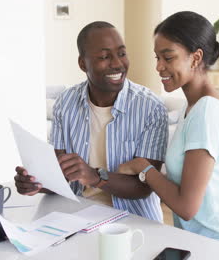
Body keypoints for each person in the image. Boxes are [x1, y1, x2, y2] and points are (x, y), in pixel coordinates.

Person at [118, 11, 219, 250]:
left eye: (168, 57)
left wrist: (144, 168)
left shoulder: (206, 112)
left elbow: (187, 206)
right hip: (203, 243)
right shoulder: (192, 107)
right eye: (157, 57)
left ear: (196, 58)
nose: (159, 66)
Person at [14, 21, 168, 222]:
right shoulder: (65, 103)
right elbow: (61, 176)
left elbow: (144, 187)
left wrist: (95, 176)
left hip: (135, 221)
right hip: (78, 216)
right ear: (82, 63)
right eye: (104, 57)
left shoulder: (151, 108)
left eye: (121, 53)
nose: (117, 63)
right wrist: (36, 183)